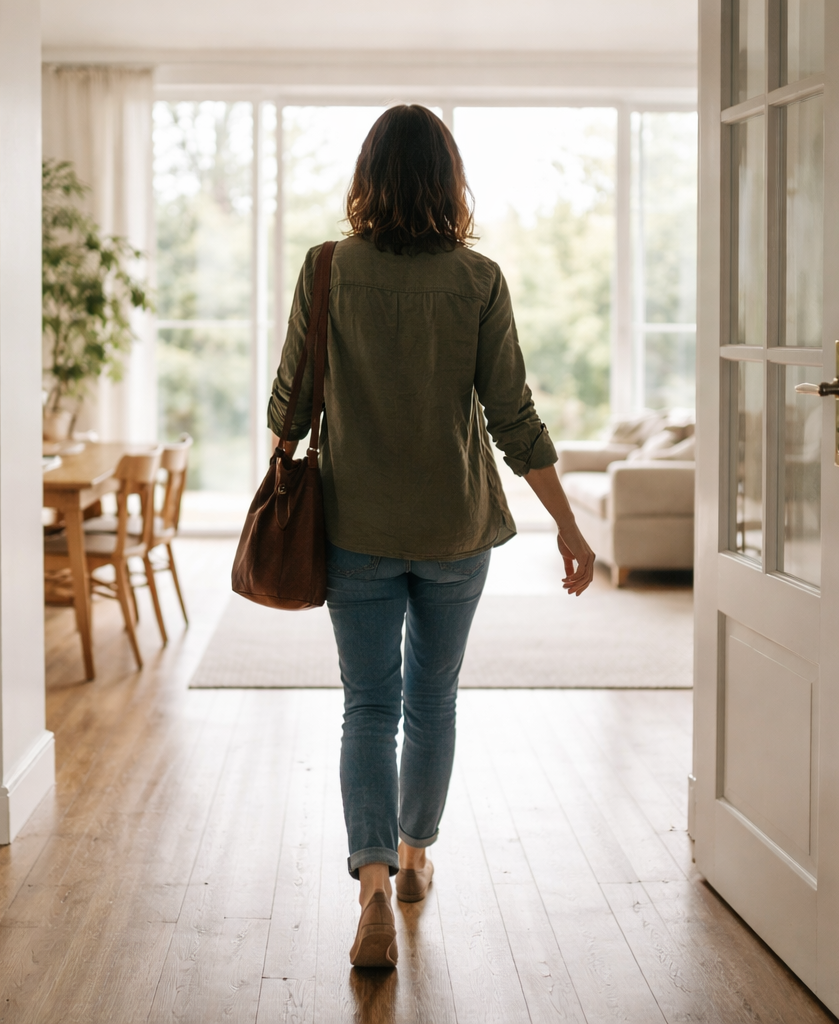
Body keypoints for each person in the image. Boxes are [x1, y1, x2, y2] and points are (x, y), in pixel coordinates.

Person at [267, 105, 595, 968]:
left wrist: (275, 476)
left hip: (356, 527)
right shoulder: (478, 281)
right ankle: (415, 861)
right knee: (433, 698)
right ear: (450, 183)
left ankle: (370, 888)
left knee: (368, 706)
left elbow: (292, 406)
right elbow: (512, 417)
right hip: (455, 531)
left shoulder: (327, 267)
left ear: (368, 179)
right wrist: (568, 523)